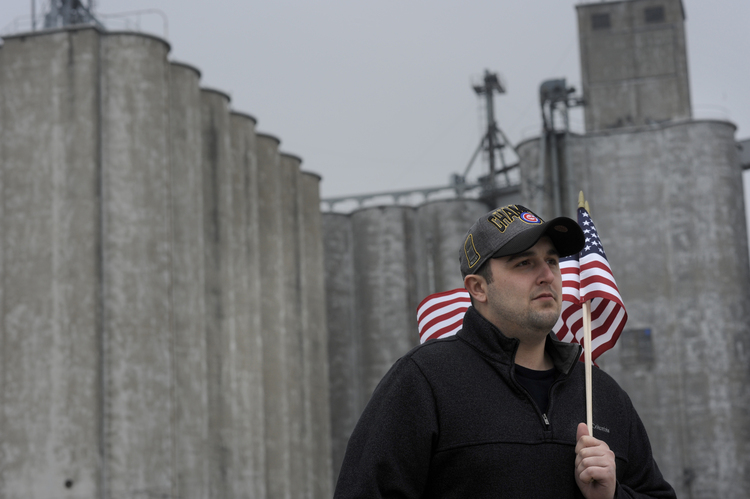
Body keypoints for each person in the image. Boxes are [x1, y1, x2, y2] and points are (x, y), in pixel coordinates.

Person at [333, 204, 676, 498]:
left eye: (552, 261)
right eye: (524, 263)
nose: (547, 275)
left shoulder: (601, 393)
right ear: (478, 288)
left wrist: (614, 494)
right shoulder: (425, 381)